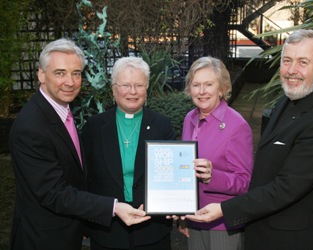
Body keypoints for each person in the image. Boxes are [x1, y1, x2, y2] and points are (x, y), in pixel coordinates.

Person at [185, 29, 313, 250]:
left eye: (303, 62)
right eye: (287, 61)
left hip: (294, 239)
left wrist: (226, 209)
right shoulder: (287, 100)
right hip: (264, 230)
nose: (292, 70)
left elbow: (287, 187)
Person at [9, 38, 150, 250]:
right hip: (43, 239)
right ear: (41, 74)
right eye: (60, 73)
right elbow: (53, 192)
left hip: (68, 233)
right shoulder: (31, 126)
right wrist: (113, 207)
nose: (70, 81)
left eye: (76, 73)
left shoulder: (60, 111)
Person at [82, 56, 176, 250]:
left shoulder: (162, 125)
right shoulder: (94, 127)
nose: (132, 92)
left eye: (139, 85)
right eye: (125, 85)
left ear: (147, 88)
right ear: (114, 89)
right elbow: (85, 177)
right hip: (107, 230)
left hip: (151, 227)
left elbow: (171, 175)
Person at [177, 56, 253, 250]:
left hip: (221, 223)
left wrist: (213, 176)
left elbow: (245, 182)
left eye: (209, 84)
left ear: (221, 88)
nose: (202, 91)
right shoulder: (189, 118)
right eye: (196, 85)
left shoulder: (237, 126)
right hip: (194, 217)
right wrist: (182, 214)